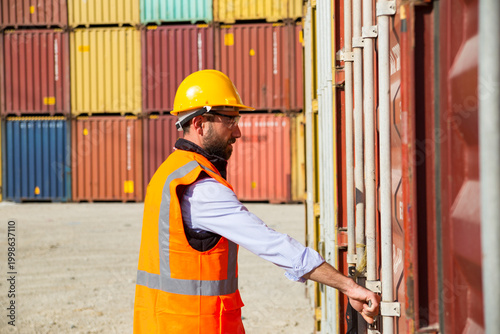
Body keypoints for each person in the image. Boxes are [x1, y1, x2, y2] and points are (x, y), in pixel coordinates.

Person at [133, 69, 380, 333]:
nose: (237, 132)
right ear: (200, 124)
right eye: (230, 121)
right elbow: (270, 243)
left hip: (161, 322)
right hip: (194, 325)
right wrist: (349, 287)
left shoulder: (169, 172)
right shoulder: (199, 187)